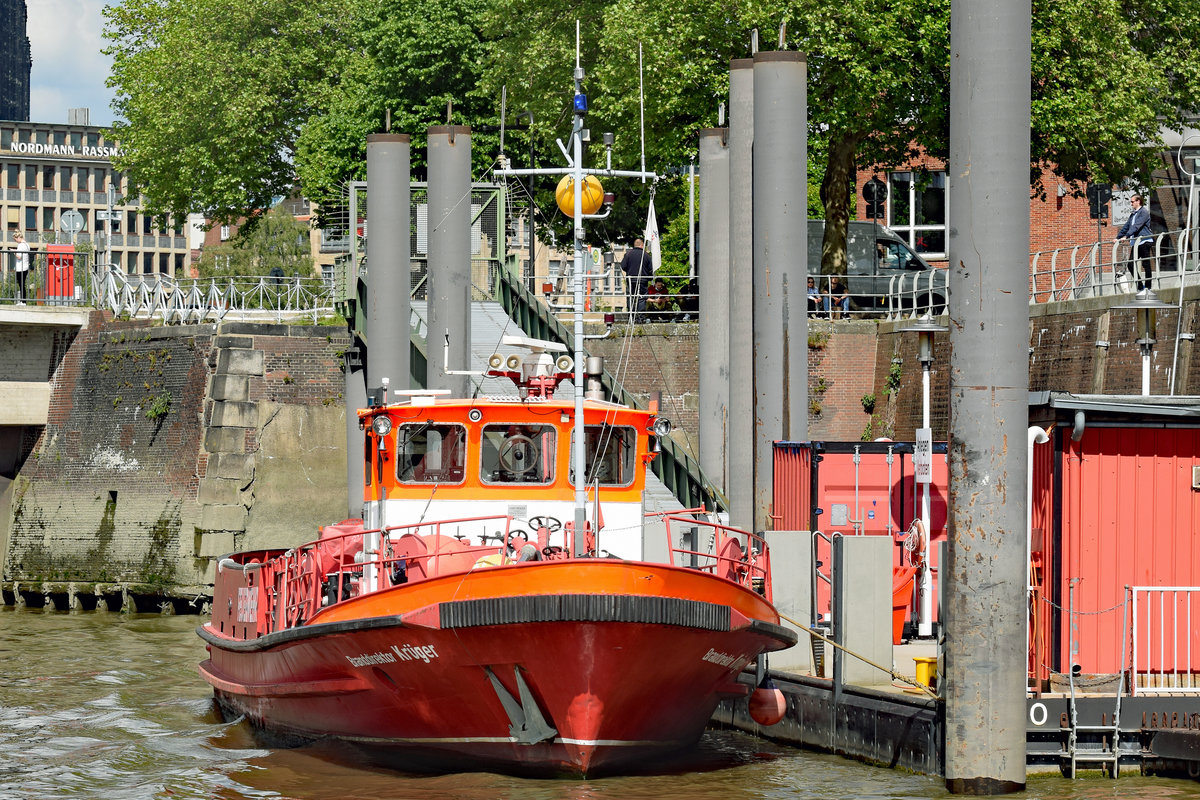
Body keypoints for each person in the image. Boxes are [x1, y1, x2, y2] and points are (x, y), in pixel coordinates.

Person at [1117, 194, 1153, 291]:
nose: (1131, 203)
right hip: (1137, 242)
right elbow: (1127, 226)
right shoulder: (1133, 214)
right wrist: (1118, 237)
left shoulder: (1144, 212)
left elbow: (1136, 226)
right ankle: (1140, 286)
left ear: (1138, 201)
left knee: (1146, 264)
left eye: (1132, 201)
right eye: (1131, 201)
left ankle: (1148, 287)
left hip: (1144, 241)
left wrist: (1126, 236)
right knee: (1130, 264)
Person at [620, 238, 652, 320]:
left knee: (630, 297)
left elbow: (623, 266)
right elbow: (650, 269)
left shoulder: (628, 254)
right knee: (641, 298)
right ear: (642, 245)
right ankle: (641, 317)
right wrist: (649, 277)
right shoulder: (646, 255)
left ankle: (631, 316)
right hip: (643, 280)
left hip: (631, 280)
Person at [12, 232, 30, 306]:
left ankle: (23, 301)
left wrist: (14, 252)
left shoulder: (20, 245)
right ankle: (22, 301)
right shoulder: (27, 244)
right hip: (25, 266)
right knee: (22, 284)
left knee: (21, 284)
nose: (15, 241)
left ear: (18, 238)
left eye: (15, 239)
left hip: (21, 267)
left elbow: (19, 256)